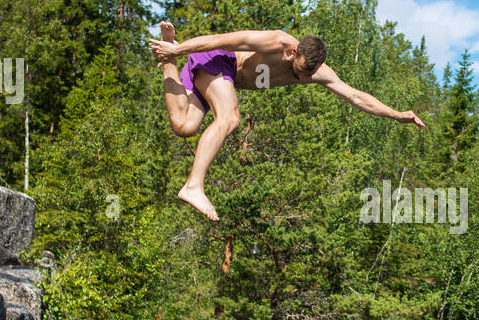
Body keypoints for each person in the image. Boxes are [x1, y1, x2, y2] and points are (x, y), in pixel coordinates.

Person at [148, 21, 426, 221]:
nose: (304, 79)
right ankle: (194, 186)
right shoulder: (275, 41)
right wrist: (182, 49)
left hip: (216, 74)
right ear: (294, 52)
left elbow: (356, 97)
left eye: (310, 74)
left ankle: (167, 55)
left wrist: (397, 114)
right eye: (301, 71)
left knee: (184, 126)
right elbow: (220, 39)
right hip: (219, 61)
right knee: (230, 118)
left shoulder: (315, 71)